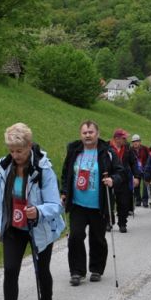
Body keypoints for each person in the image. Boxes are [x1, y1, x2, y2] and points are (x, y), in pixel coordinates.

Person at [0, 123, 66, 300]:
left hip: (38, 227)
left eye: (20, 151)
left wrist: (38, 211)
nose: (15, 155)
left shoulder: (43, 169)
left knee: (42, 269)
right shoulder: (3, 168)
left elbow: (55, 204)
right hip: (13, 227)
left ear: (29, 146)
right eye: (12, 150)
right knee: (10, 270)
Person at [61, 120, 124, 285]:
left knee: (97, 238)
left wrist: (112, 180)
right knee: (75, 236)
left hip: (99, 205)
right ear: (80, 135)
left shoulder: (107, 152)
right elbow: (66, 172)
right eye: (84, 133)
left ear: (98, 134)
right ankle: (77, 272)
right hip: (77, 204)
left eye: (91, 132)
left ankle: (96, 269)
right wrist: (64, 192)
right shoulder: (74, 150)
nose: (88, 135)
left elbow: (120, 172)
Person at [110, 128, 140, 233]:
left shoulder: (128, 150)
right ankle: (109, 222)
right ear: (117, 138)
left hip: (124, 179)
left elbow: (134, 163)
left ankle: (122, 223)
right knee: (109, 201)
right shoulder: (107, 149)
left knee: (123, 203)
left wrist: (136, 176)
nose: (125, 139)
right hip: (111, 179)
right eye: (124, 138)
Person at [130, 134, 150, 207]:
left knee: (145, 185)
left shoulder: (145, 148)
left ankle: (145, 201)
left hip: (145, 169)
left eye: (137, 141)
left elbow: (149, 158)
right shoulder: (130, 150)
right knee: (136, 185)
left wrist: (148, 168)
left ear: (140, 142)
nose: (135, 143)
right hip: (135, 170)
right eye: (134, 141)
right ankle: (138, 200)